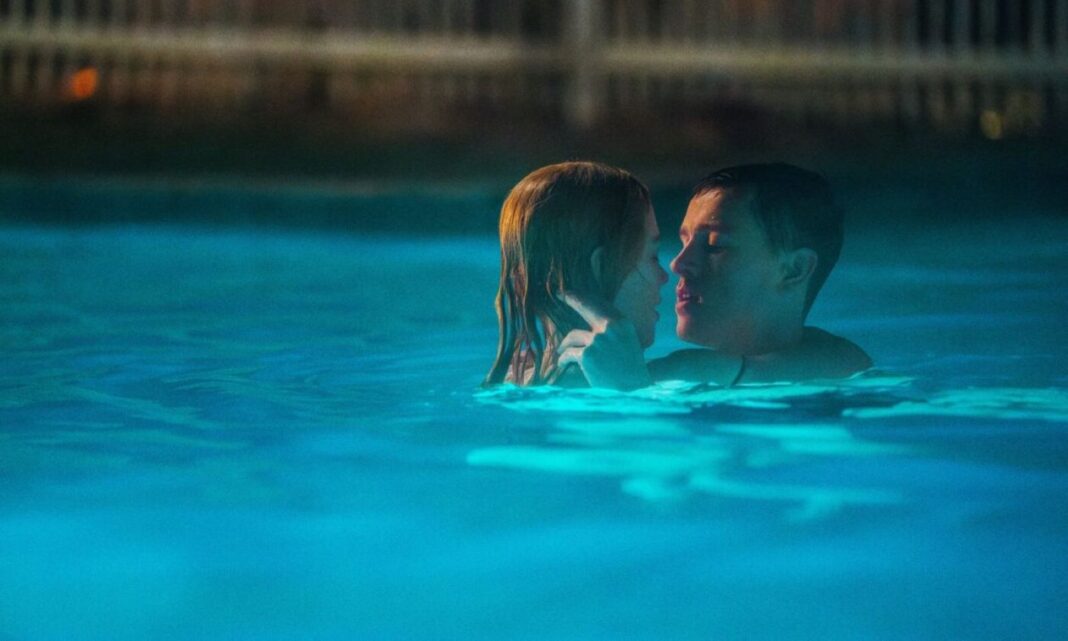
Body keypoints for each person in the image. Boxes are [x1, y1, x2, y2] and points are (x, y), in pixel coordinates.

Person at [649, 163, 872, 384]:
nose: (678, 264)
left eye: (715, 245)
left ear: (794, 269)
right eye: (684, 242)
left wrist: (687, 368)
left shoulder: (840, 367)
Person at [484, 161, 668, 388]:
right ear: (599, 267)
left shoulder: (512, 384)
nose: (664, 277)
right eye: (653, 257)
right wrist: (629, 389)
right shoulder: (671, 380)